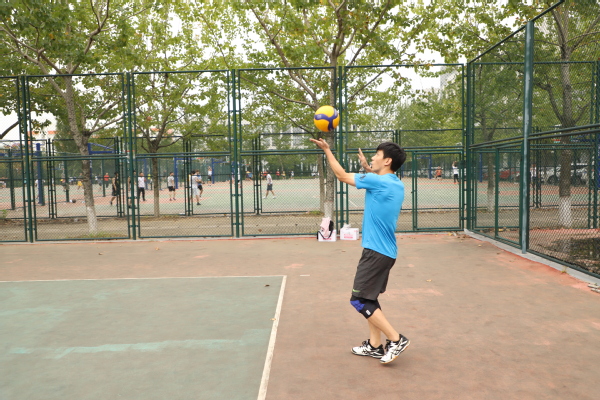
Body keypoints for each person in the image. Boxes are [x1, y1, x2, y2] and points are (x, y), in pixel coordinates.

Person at [310, 137, 410, 365]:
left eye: (377, 155)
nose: (372, 157)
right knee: (369, 298)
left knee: (359, 301)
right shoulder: (395, 183)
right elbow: (378, 179)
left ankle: (396, 339)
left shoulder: (378, 182)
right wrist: (368, 168)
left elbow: (341, 176)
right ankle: (375, 346)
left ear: (387, 161)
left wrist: (327, 150)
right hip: (385, 252)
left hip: (376, 252)